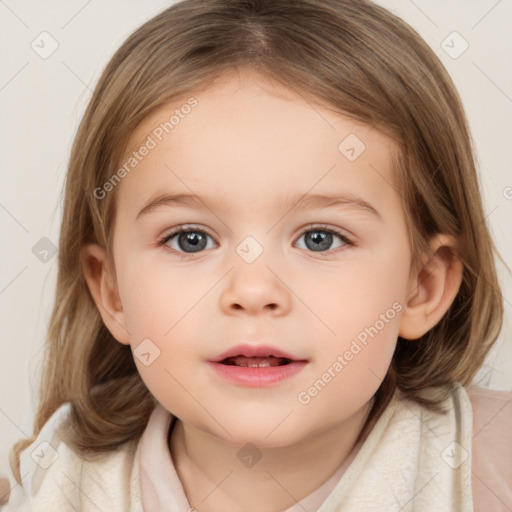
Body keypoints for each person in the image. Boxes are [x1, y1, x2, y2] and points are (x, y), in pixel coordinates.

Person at [2, 0, 511, 510]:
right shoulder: (53, 483)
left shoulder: (490, 464)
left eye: (320, 238)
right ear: (112, 291)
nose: (252, 291)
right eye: (190, 239)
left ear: (421, 286)